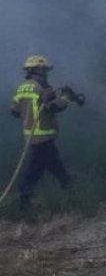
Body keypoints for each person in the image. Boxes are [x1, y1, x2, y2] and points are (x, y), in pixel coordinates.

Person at [10, 56, 77, 211]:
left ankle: (68, 187)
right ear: (34, 70)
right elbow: (53, 108)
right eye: (44, 70)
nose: (46, 73)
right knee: (42, 168)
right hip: (43, 136)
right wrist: (66, 98)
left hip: (31, 136)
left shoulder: (21, 87)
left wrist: (28, 116)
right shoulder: (42, 88)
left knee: (47, 165)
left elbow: (14, 111)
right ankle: (24, 200)